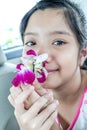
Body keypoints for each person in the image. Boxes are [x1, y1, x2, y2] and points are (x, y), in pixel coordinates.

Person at [8, 0, 87, 130]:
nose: (39, 58)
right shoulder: (28, 98)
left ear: (82, 54)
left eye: (58, 42)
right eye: (31, 43)